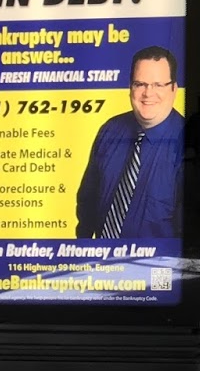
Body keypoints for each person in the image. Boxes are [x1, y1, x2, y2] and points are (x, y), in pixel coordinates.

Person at [74, 45, 186, 241]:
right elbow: (87, 201)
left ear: (173, 89)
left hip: (158, 259)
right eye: (140, 84)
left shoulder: (187, 141)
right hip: (102, 256)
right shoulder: (110, 130)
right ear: (130, 88)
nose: (148, 93)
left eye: (158, 85)